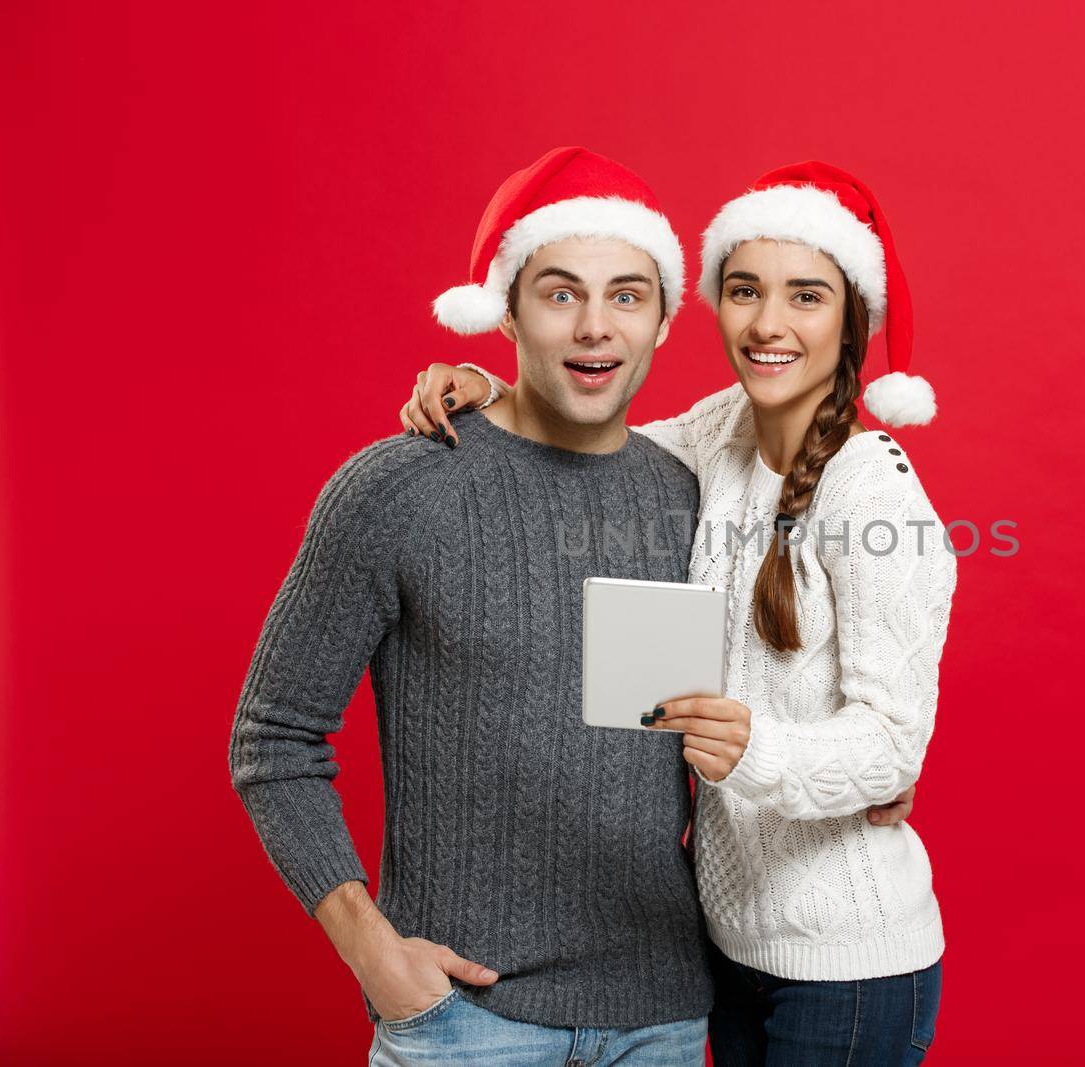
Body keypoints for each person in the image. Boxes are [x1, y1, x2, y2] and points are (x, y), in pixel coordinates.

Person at [233, 147, 781, 1067]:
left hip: (665, 1016)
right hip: (462, 1025)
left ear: (660, 320)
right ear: (508, 309)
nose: (595, 328)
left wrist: (864, 770)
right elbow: (273, 737)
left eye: (627, 296)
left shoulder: (693, 498)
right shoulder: (400, 489)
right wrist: (377, 955)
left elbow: (757, 707)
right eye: (561, 293)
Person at [404, 162, 956, 1065]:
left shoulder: (875, 491)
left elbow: (896, 743)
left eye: (805, 296)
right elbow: (594, 441)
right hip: (727, 946)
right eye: (744, 291)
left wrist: (758, 749)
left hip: (848, 964)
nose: (768, 324)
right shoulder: (722, 430)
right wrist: (486, 385)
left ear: (854, 318)